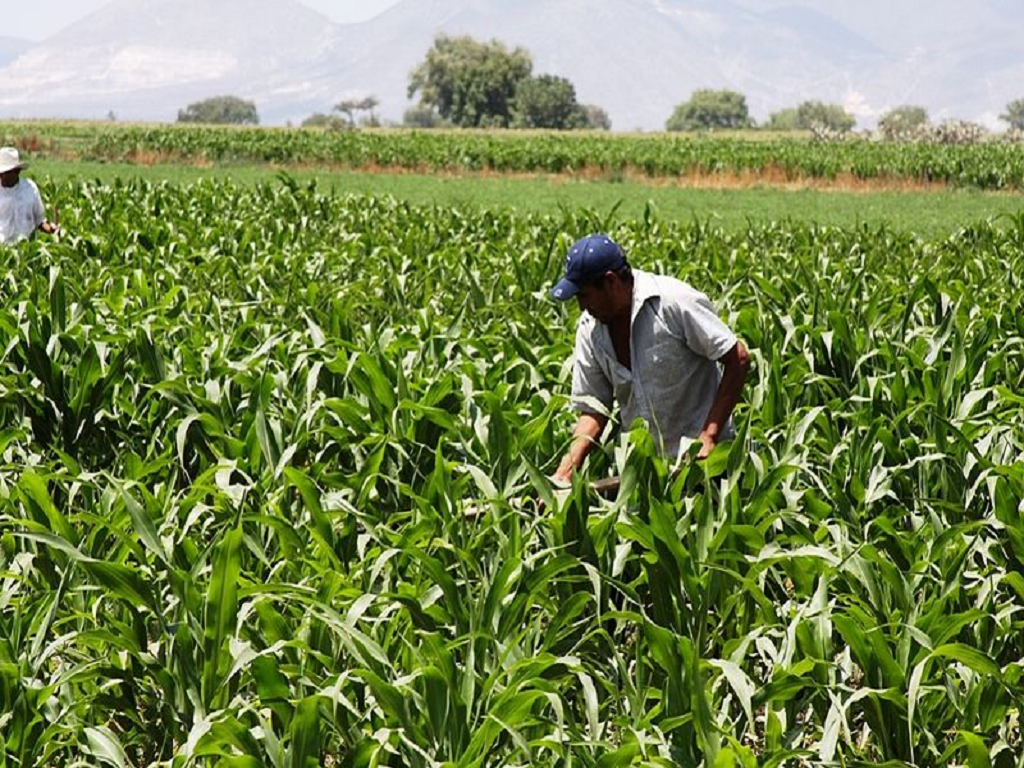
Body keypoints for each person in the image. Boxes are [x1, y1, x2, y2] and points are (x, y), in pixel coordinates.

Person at [550, 233, 749, 484]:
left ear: (610, 282)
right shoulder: (591, 328)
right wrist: (564, 473)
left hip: (708, 470)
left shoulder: (673, 302)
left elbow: (738, 358)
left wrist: (708, 437)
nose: (581, 307)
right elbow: (593, 410)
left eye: (584, 295)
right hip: (646, 478)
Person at [0, 147, 59, 245]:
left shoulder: (30, 189)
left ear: (17, 171)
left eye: (5, 173)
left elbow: (40, 221)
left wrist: (51, 230)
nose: (1, 177)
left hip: (26, 250)